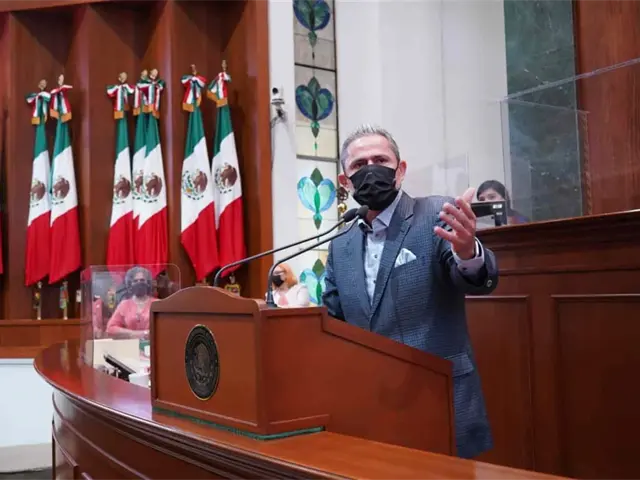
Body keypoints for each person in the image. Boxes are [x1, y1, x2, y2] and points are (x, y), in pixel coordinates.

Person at [322, 124, 498, 459]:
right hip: (369, 407)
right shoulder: (340, 243)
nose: (371, 170)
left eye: (381, 160)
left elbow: (477, 278)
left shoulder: (437, 214)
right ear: (345, 181)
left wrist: (467, 253)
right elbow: (332, 321)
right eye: (359, 165)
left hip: (438, 400)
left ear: (400, 170)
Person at [106, 266, 157, 339]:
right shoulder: (124, 305)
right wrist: (136, 334)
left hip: (154, 343)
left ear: (148, 282)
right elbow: (110, 329)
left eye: (142, 280)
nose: (139, 283)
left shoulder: (158, 303)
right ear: (130, 284)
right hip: (130, 344)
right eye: (135, 281)